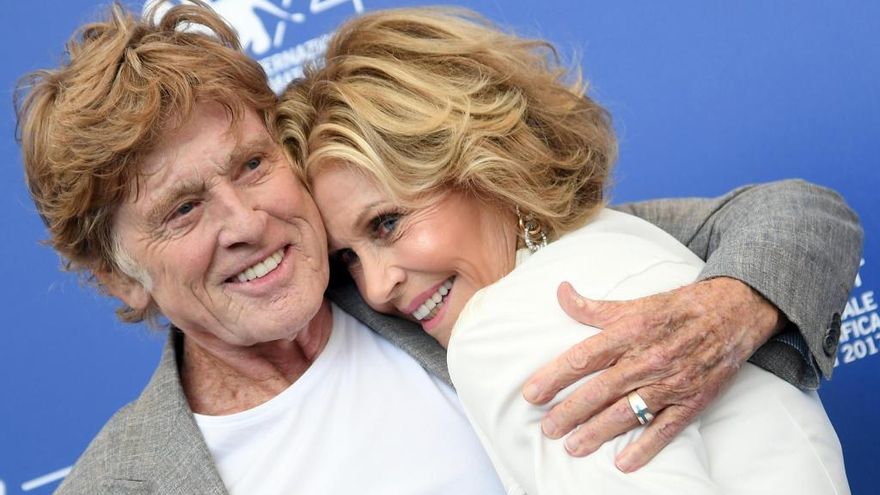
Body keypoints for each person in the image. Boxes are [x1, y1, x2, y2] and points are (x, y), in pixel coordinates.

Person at [14, 2, 860, 493]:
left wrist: (720, 315)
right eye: (185, 208)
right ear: (111, 276)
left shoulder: (450, 277)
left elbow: (799, 217)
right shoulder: (124, 482)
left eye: (252, 162)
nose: (248, 220)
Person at [279, 7, 853, 494]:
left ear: (483, 164)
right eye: (347, 259)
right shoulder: (620, 243)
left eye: (386, 224)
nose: (375, 289)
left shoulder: (499, 328)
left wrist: (738, 306)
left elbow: (803, 213)